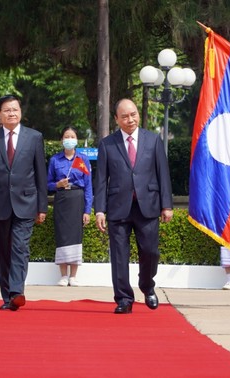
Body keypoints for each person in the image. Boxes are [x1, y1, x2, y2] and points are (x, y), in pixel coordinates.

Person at [94, 98, 173, 314]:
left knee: (150, 251)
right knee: (119, 256)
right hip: (118, 207)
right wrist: (99, 209)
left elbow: (162, 174)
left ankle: (147, 285)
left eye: (134, 114)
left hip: (147, 206)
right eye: (125, 116)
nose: (131, 119)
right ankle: (123, 299)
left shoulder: (153, 140)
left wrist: (166, 205)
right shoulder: (107, 144)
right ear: (117, 119)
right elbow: (101, 180)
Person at [0, 94, 48, 311]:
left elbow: (40, 174)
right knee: (3, 251)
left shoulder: (34, 137)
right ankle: (7, 296)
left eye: (15, 109)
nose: (11, 113)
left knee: (20, 247)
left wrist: (42, 206)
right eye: (6, 110)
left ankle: (17, 291)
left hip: (26, 202)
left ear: (20, 112)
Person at [47, 126, 93, 287]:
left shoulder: (82, 160)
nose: (69, 139)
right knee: (62, 235)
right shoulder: (55, 160)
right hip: (61, 199)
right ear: (62, 140)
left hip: (77, 199)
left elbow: (88, 186)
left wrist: (87, 210)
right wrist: (57, 184)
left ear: (76, 140)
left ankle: (73, 275)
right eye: (66, 136)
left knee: (75, 235)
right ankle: (63, 275)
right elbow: (47, 184)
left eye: (72, 136)